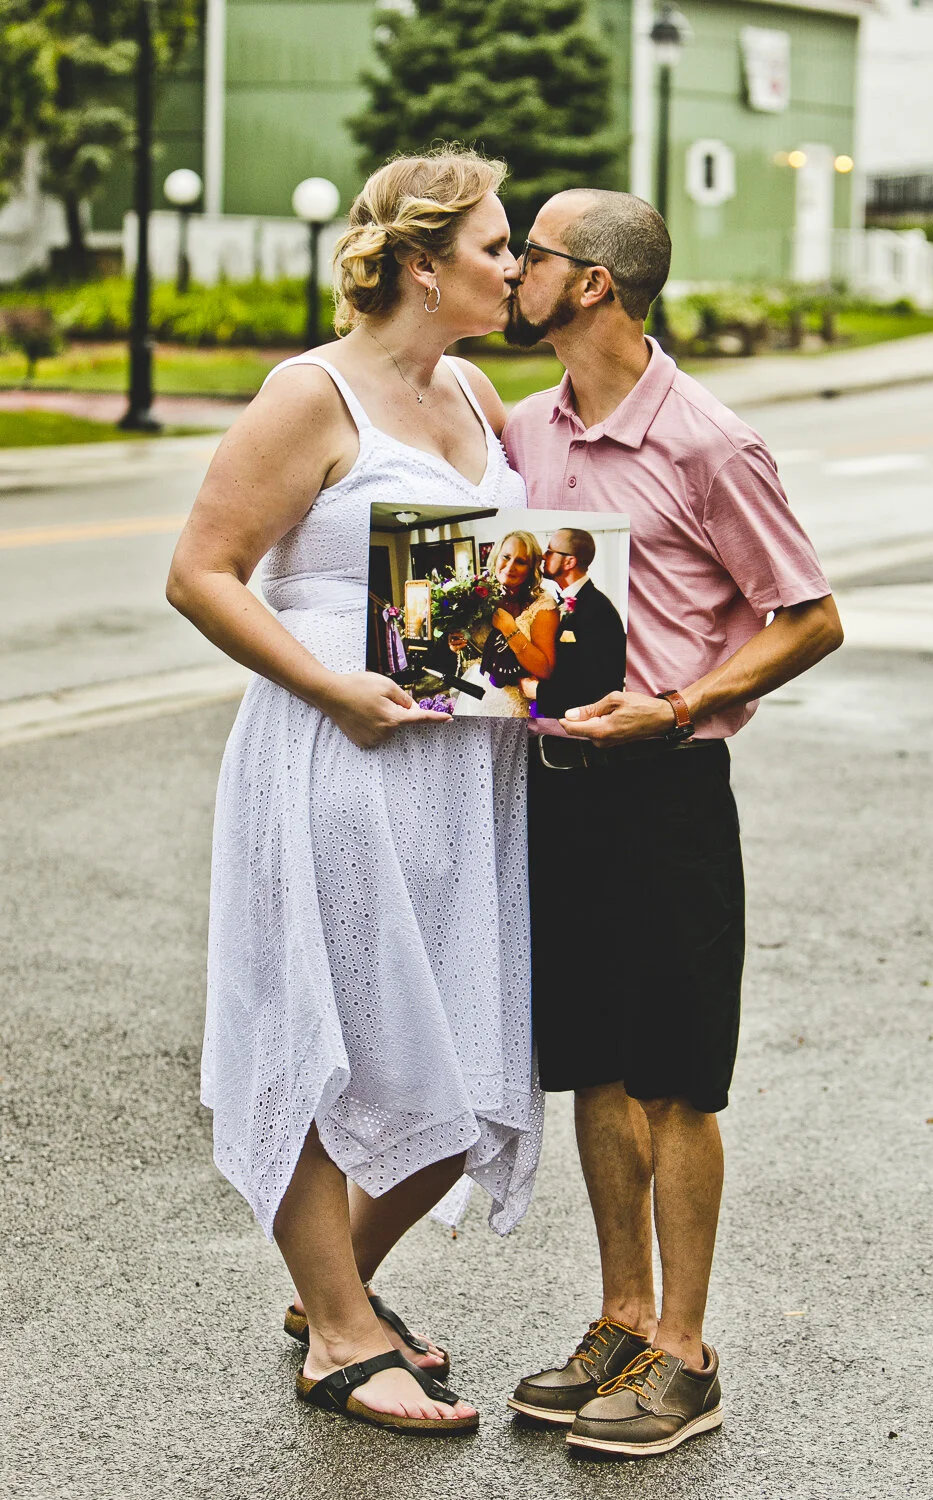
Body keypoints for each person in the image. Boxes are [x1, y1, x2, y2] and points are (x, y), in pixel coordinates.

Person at [166, 148, 544, 1437]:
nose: (517, 263)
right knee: (336, 1040)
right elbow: (202, 573)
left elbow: (494, 576)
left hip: (463, 765)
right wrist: (332, 690)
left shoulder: (478, 389)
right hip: (339, 752)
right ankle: (336, 1331)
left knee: (456, 1050)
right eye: (497, 245)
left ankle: (340, 1291)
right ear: (425, 266)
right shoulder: (307, 395)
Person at [502, 189, 844, 1458]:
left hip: (668, 794)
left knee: (674, 1080)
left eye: (527, 255)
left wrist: (682, 703)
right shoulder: (525, 427)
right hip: (557, 788)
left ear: (590, 283)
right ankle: (623, 1319)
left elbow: (808, 615)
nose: (511, 274)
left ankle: (687, 1359)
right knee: (594, 1065)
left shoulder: (708, 442)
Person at [521, 528, 626, 721]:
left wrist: (540, 692)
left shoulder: (598, 610)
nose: (544, 556)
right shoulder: (561, 602)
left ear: (569, 561)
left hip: (579, 728)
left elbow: (600, 685)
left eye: (550, 551)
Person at [450, 529, 558, 717]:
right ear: (496, 556)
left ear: (531, 566)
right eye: (506, 557)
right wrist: (457, 641)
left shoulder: (542, 605)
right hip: (475, 697)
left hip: (513, 707)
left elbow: (545, 669)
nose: (510, 566)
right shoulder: (477, 595)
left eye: (521, 561)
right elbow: (471, 646)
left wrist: (509, 629)